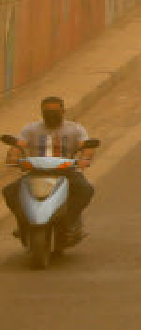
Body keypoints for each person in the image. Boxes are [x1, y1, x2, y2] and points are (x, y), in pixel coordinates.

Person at [4, 95, 95, 243]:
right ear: (42, 112)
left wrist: (85, 159)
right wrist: (13, 157)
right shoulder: (31, 129)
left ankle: (70, 221)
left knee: (85, 190)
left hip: (67, 171)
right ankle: (22, 223)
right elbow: (18, 146)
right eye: (48, 112)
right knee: (9, 192)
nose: (51, 115)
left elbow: (86, 147)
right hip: (36, 171)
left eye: (55, 112)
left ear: (63, 111)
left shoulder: (75, 129)